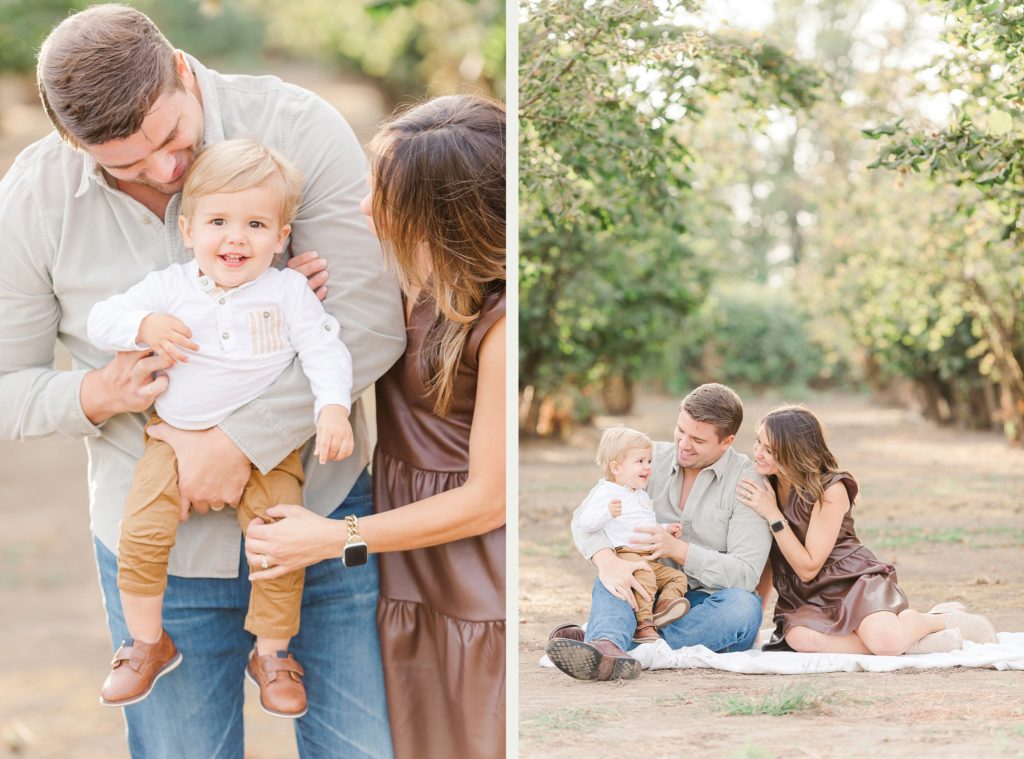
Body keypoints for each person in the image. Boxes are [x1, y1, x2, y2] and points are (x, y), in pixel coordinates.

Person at [0, 6, 404, 757]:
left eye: (170, 139)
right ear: (73, 143)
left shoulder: (299, 128)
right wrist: (95, 394)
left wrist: (238, 442)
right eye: (126, 164)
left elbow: (373, 318)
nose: (163, 172)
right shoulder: (34, 199)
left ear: (182, 71)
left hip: (318, 518)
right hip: (158, 553)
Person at [244, 94, 506, 758]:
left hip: (476, 575)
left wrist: (336, 538)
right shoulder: (402, 279)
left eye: (384, 195)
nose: (365, 207)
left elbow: (489, 498)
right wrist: (289, 294)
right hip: (403, 559)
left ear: (440, 213)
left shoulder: (502, 324)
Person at [87, 139, 355, 716]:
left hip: (270, 451)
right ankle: (145, 643)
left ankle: (273, 653)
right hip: (172, 438)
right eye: (218, 221)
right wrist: (143, 323)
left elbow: (324, 349)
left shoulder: (287, 292)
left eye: (256, 223)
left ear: (281, 238)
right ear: (187, 230)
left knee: (279, 544)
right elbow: (99, 320)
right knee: (141, 532)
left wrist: (332, 405)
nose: (235, 237)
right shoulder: (168, 288)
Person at [546, 383, 771, 681]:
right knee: (618, 573)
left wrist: (677, 549)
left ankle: (613, 642)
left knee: (744, 608)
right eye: (681, 431)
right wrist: (607, 561)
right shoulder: (647, 460)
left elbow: (745, 573)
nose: (684, 444)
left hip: (707, 605)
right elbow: (584, 518)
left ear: (726, 441)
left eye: (698, 440)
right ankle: (609, 645)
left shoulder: (746, 482)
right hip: (645, 589)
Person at [738, 404, 999, 655]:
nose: (758, 453)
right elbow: (769, 559)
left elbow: (809, 567)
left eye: (769, 449)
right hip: (804, 597)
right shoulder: (763, 486)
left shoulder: (830, 489)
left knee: (887, 642)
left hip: (849, 583)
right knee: (797, 638)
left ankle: (937, 620)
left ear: (795, 451)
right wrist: (755, 620)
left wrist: (773, 514)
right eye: (758, 442)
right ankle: (914, 643)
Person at [577, 426, 691, 642]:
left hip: (648, 557)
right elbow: (585, 522)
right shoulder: (607, 492)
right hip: (626, 553)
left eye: (649, 461)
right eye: (640, 461)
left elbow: (645, 523)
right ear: (616, 468)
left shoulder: (638, 494)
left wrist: (666, 529)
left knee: (677, 577)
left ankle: (662, 609)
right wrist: (606, 512)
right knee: (645, 576)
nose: (647, 467)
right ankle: (643, 625)